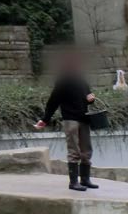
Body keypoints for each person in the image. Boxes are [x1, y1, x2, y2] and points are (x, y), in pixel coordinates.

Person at [34, 52, 99, 191]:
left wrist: (91, 99)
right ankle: (73, 182)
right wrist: (45, 119)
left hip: (84, 118)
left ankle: (85, 179)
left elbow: (88, 97)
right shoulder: (62, 81)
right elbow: (53, 101)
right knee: (74, 150)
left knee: (86, 150)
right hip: (71, 119)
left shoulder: (82, 80)